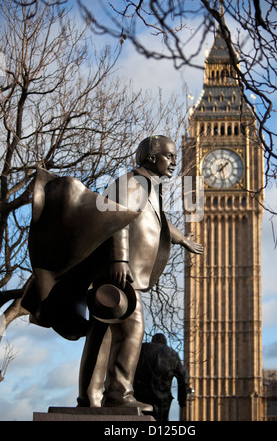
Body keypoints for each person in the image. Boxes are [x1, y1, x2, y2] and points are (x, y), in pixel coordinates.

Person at [22, 135, 204, 411]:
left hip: (124, 271)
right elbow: (114, 216)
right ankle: (118, 394)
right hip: (119, 271)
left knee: (103, 333)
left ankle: (90, 398)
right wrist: (119, 260)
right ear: (151, 158)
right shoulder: (132, 182)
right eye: (169, 156)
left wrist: (181, 239)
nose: (174, 163)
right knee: (132, 328)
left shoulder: (150, 187)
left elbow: (157, 221)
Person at [134, 334, 189, 421]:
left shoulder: (141, 349)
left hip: (140, 396)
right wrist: (182, 401)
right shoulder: (172, 354)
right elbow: (183, 377)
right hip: (162, 399)